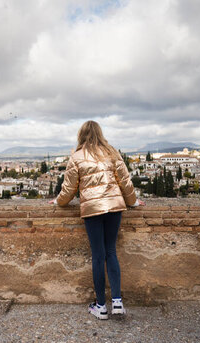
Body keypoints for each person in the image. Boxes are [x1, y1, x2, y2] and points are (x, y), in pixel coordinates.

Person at [49, 120, 144, 320]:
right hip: (115, 207)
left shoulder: (76, 157)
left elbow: (69, 188)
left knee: (98, 256)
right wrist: (133, 202)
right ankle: (117, 302)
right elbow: (125, 181)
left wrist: (59, 202)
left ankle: (100, 306)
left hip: (92, 209)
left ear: (81, 135)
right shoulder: (112, 152)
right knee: (111, 252)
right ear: (100, 133)